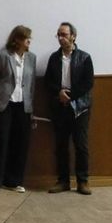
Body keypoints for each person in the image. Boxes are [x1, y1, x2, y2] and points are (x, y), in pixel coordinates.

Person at [43, 22, 94, 195]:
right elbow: (47, 81)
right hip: (60, 107)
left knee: (81, 145)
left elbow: (88, 83)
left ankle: (83, 181)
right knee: (61, 145)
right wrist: (59, 93)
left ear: (73, 36)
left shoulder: (85, 57)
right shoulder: (53, 58)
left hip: (80, 108)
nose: (61, 38)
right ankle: (63, 181)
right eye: (58, 34)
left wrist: (70, 95)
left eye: (64, 34)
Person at [0, 25, 36, 194]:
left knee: (21, 143)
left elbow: (32, 84)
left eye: (30, 38)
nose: (29, 41)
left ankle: (14, 181)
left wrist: (31, 107)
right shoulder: (3, 55)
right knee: (2, 141)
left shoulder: (31, 58)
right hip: (4, 104)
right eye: (27, 38)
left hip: (23, 105)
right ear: (17, 40)